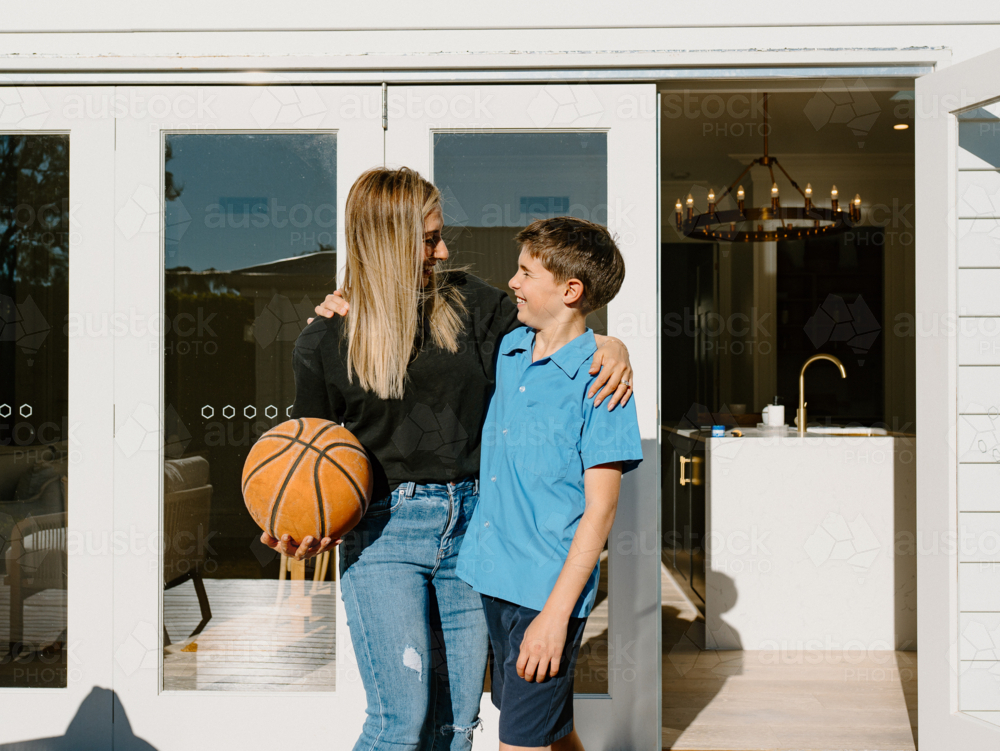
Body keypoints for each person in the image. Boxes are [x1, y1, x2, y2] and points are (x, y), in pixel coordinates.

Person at [260, 166, 634, 751]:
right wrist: (300, 527)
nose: (444, 249)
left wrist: (614, 345)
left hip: (476, 534)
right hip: (384, 532)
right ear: (387, 242)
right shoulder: (324, 342)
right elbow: (311, 456)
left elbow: (563, 327)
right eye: (430, 238)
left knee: (457, 725)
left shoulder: (474, 306)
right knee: (398, 722)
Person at [455, 217, 643, 751]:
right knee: (549, 731)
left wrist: (556, 617)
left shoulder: (603, 384)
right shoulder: (510, 351)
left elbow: (600, 512)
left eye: (525, 272)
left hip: (544, 592)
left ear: (570, 290)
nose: (512, 282)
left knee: (519, 741)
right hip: (488, 578)